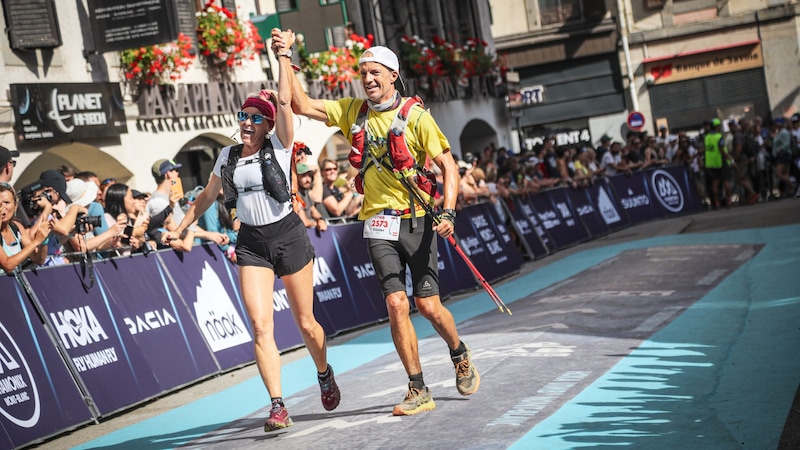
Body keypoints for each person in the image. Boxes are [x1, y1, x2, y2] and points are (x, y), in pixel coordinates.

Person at [276, 29, 479, 416]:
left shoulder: (416, 117)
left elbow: (449, 167)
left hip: (417, 221)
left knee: (430, 306)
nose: (367, 79)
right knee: (395, 304)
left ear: (392, 76)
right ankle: (417, 388)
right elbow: (299, 104)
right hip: (377, 225)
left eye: (375, 72)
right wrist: (286, 56)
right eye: (363, 72)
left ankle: (459, 352)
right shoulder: (354, 111)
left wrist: (449, 213)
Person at [161, 34, 340, 433]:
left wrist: (282, 55)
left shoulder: (279, 145)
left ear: (268, 123)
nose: (247, 122)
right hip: (253, 243)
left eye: (255, 117)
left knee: (306, 323)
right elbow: (206, 197)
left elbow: (283, 100)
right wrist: (178, 227)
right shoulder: (226, 155)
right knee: (260, 326)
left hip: (289, 235)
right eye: (243, 116)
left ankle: (324, 371)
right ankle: (277, 405)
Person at [0, 182, 51, 273]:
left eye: (7, 203)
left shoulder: (17, 227)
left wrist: (43, 241)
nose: (3, 208)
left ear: (15, 207)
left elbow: (38, 260)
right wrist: (36, 241)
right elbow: (7, 265)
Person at [295, 163, 328, 232]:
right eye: (304, 176)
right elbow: (305, 222)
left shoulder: (305, 192)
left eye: (309, 176)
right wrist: (316, 224)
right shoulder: (295, 196)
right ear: (295, 177)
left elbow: (313, 211)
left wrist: (320, 220)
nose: (308, 179)